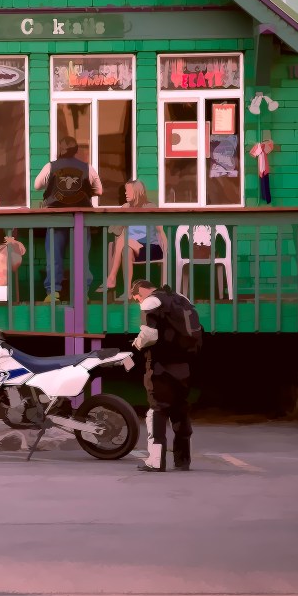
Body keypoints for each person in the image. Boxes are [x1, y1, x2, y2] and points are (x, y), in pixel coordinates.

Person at [130, 279, 202, 473]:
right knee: (180, 409)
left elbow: (150, 335)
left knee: (157, 410)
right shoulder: (181, 299)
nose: (139, 302)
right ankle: (183, 460)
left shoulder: (151, 302)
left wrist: (136, 344)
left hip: (160, 366)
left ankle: (155, 461)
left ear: (141, 291)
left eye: (137, 298)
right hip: (185, 366)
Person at [34, 136, 102, 302]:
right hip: (80, 217)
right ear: (76, 150)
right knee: (81, 257)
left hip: (56, 218)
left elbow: (37, 186)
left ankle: (53, 292)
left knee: (54, 257)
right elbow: (99, 191)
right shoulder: (87, 167)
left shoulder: (51, 166)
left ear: (60, 149)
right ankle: (82, 292)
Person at [99, 179, 167, 292]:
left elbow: (160, 230)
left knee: (122, 240)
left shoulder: (150, 206)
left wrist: (165, 250)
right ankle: (128, 292)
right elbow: (114, 230)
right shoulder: (125, 207)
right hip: (131, 246)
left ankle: (111, 277)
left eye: (128, 191)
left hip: (150, 247)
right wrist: (120, 218)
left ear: (137, 191)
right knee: (126, 249)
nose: (125, 193)